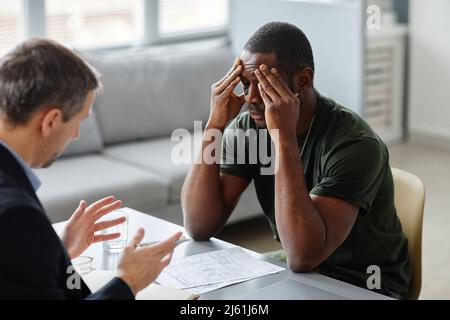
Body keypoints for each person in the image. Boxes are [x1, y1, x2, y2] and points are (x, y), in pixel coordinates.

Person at [181, 22, 411, 299]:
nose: (251, 98)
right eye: (245, 84)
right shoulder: (248, 128)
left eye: (265, 86)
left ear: (303, 80)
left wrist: (283, 138)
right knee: (204, 300)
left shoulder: (356, 144)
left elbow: (303, 256)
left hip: (366, 282)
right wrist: (214, 125)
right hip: (299, 267)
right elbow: (198, 225)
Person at [0, 38, 181, 300]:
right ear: (50, 121)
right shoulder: (18, 217)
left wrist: (57, 250)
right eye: (78, 121)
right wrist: (128, 281)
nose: (75, 135)